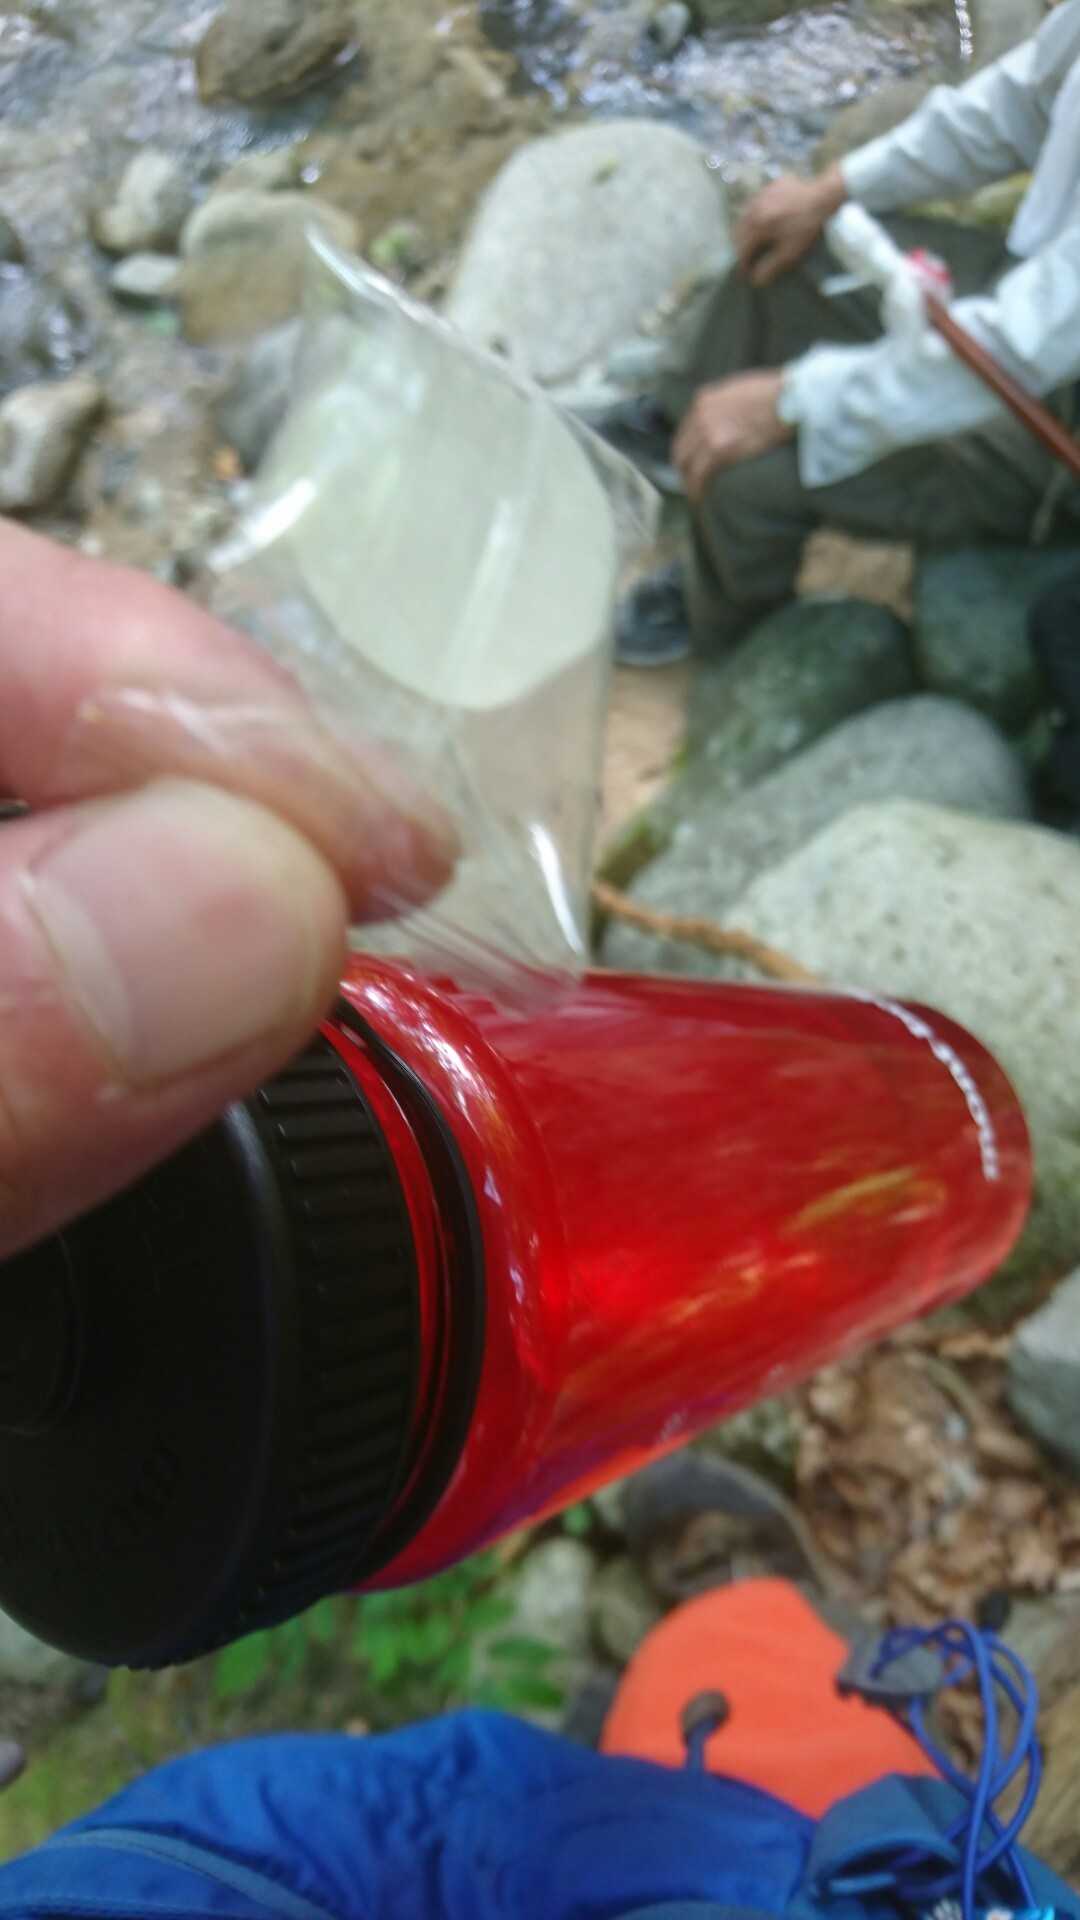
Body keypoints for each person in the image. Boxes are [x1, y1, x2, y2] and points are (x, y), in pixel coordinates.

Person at [0, 519, 1074, 1917]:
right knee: (751, 1822)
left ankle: (716, 1683)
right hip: (380, 1359)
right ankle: (801, 1771)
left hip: (178, 1824)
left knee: (449, 1806)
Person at [610, 0, 1080, 666]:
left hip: (1058, 428)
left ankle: (727, 626)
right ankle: (677, 426)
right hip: (1037, 292)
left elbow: (1015, 352)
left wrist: (791, 401)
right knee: (788, 247)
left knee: (754, 474)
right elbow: (1018, 103)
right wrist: (835, 190)